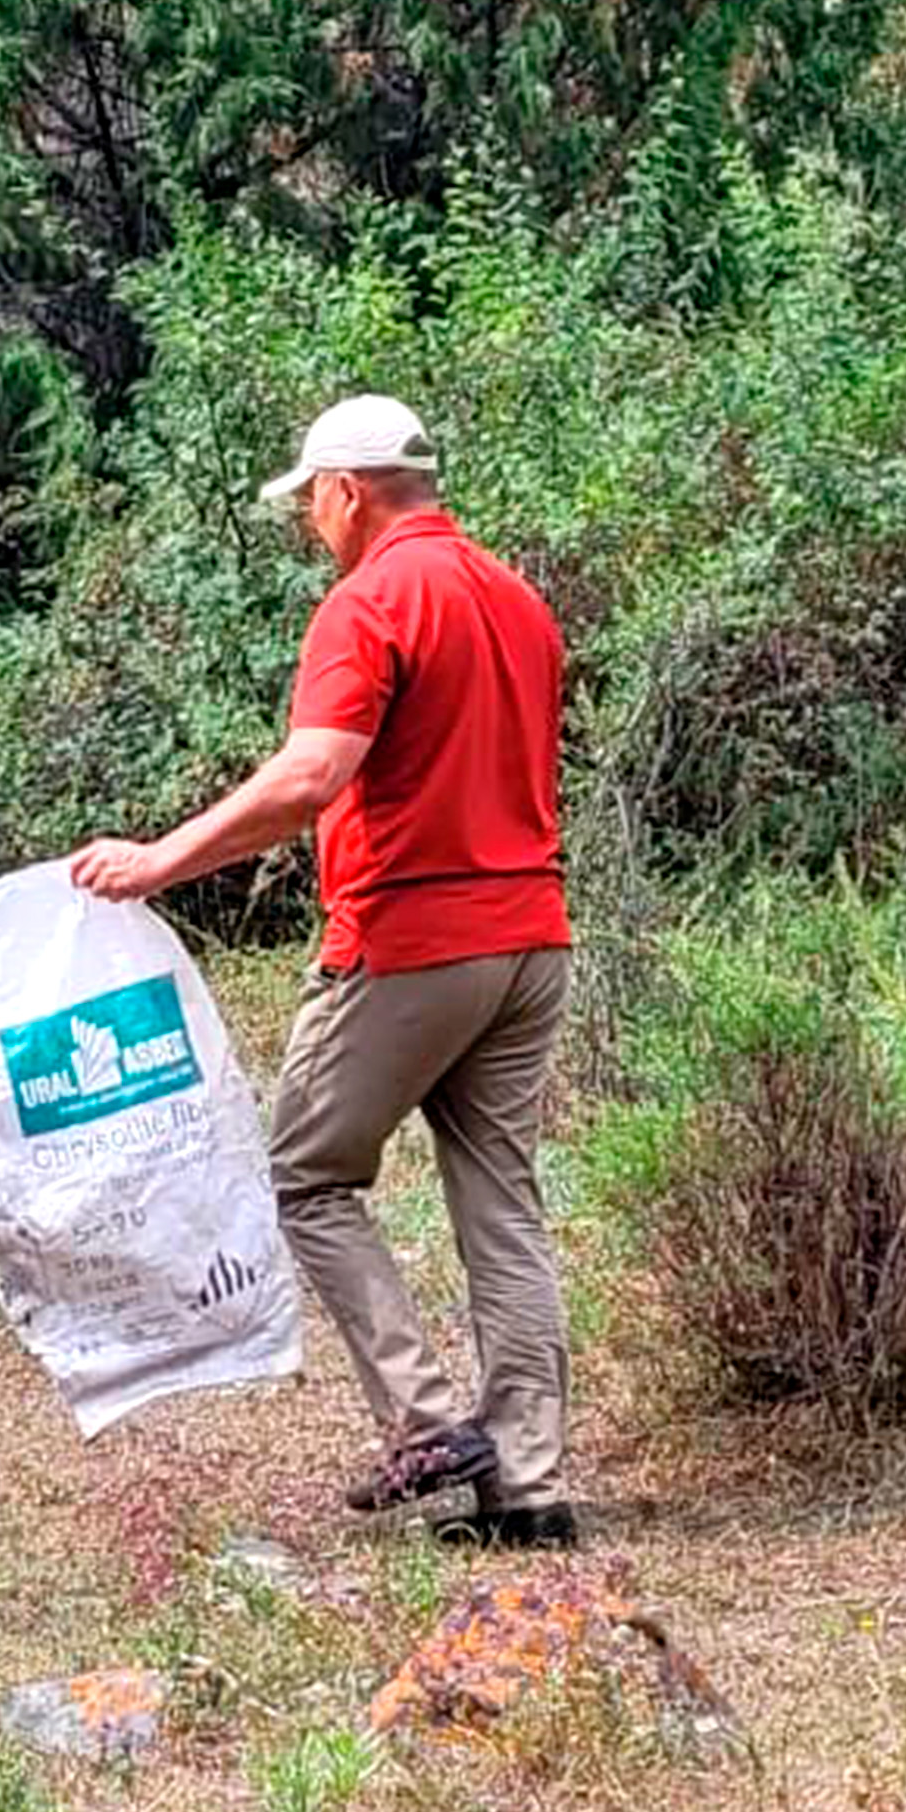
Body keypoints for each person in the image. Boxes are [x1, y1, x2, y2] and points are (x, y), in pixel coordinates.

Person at [73, 394, 581, 1546]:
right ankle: (531, 1489)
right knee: (502, 1203)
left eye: (311, 500)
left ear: (348, 490)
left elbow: (312, 776)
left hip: (412, 941)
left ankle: (426, 1419)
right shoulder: (518, 600)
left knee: (304, 1173)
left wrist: (162, 860)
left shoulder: (371, 604)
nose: (312, 521)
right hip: (531, 940)